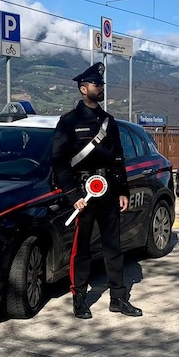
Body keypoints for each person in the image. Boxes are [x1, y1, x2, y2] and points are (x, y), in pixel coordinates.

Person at [52, 62, 143, 319]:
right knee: (81, 249)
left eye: (101, 84)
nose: (101, 87)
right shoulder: (69, 121)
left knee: (113, 247)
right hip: (83, 195)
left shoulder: (108, 121)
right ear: (83, 89)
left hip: (109, 192)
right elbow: (59, 161)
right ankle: (79, 298)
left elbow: (118, 158)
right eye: (96, 84)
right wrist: (73, 195)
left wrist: (123, 190)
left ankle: (118, 298)